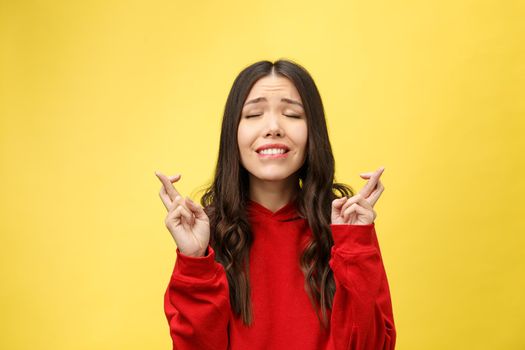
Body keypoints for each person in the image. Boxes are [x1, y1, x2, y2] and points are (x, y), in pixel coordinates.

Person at [155, 59, 396, 350]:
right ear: (233, 133)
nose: (273, 128)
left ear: (313, 134)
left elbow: (371, 345)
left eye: (292, 114)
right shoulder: (204, 235)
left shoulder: (344, 228)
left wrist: (354, 245)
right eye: (254, 114)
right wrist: (194, 261)